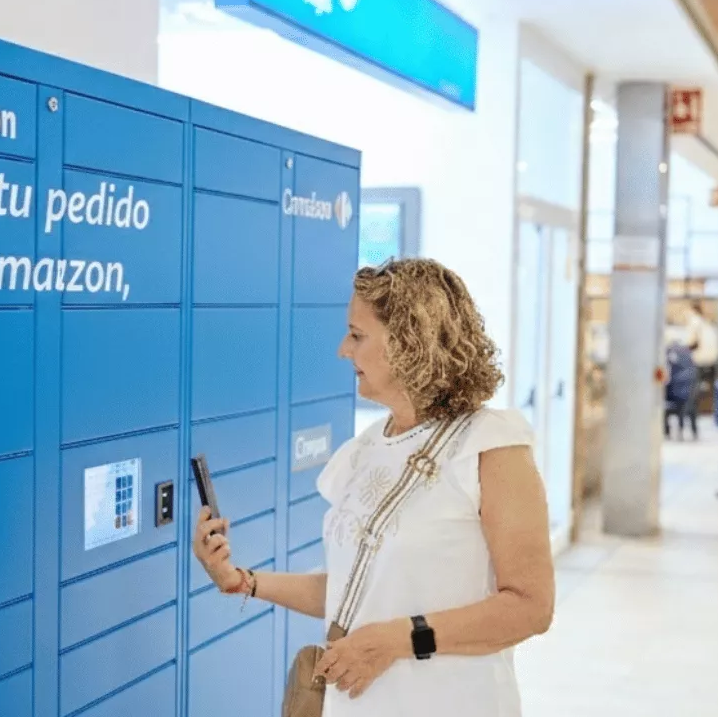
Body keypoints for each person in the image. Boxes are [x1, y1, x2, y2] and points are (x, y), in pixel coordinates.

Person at [192, 259, 555, 715]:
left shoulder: (492, 449)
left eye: (357, 335)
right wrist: (243, 581)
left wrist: (399, 639)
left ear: (409, 343)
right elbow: (351, 589)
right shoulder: (364, 450)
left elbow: (530, 606)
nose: (344, 350)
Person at [664, 339, 701, 440]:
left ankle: (666, 431)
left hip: (677, 396)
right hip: (688, 396)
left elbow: (666, 381)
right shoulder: (690, 365)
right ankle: (692, 431)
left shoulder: (672, 361)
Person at [684, 302, 718, 392]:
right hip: (713, 359)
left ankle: (691, 402)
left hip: (700, 359)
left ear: (692, 311)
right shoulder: (706, 322)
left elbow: (692, 342)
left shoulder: (694, 320)